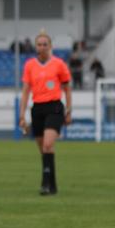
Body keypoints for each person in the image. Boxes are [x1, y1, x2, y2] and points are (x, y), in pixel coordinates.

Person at [18, 31, 72, 195]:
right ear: (36, 46)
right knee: (44, 149)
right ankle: (53, 185)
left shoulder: (59, 64)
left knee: (48, 144)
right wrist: (22, 115)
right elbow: (26, 91)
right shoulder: (29, 65)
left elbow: (67, 89)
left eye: (45, 44)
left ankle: (45, 184)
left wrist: (69, 110)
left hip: (54, 107)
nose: (42, 47)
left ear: (50, 47)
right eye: (39, 44)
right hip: (38, 109)